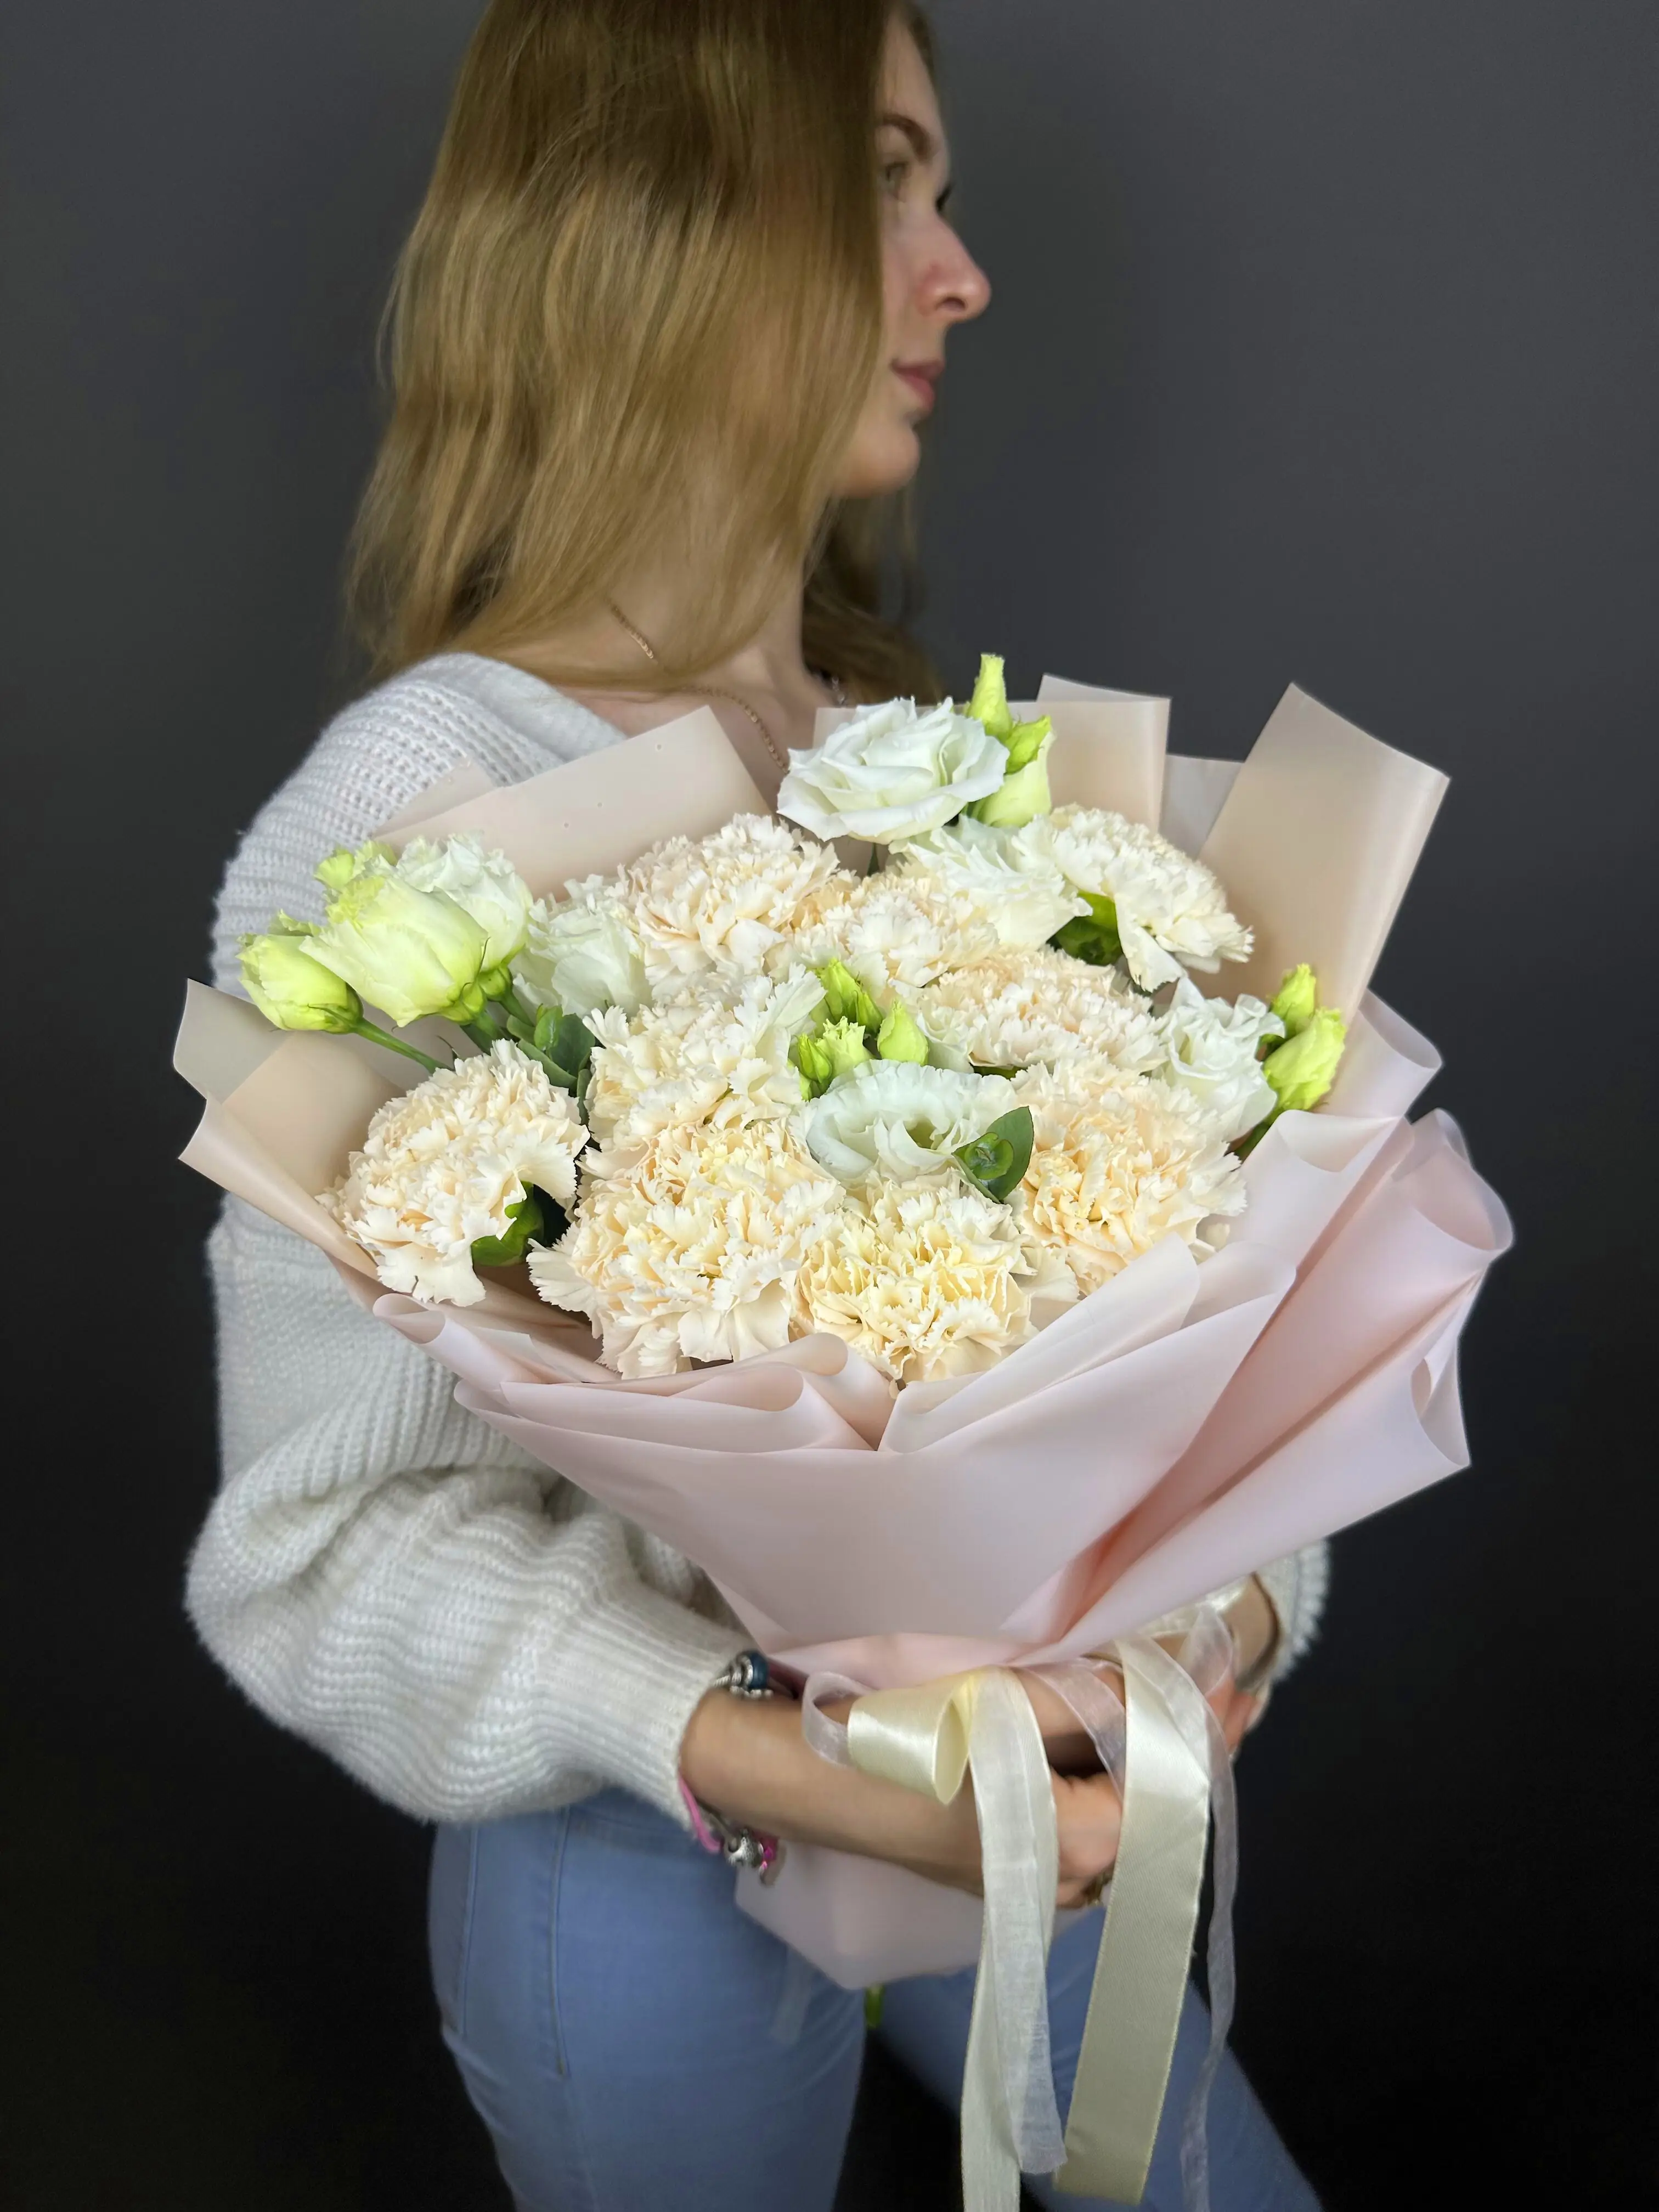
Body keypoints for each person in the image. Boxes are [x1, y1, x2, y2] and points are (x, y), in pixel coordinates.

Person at [191, 3, 1325, 2205]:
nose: (958, 273)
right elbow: (319, 1547)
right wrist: (780, 1754)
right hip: (649, 1879)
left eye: (941, 191)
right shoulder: (416, 818)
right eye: (885, 180)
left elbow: (1232, 1306)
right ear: (666, 218)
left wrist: (1227, 1617)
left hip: (1059, 1819)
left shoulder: (932, 770)